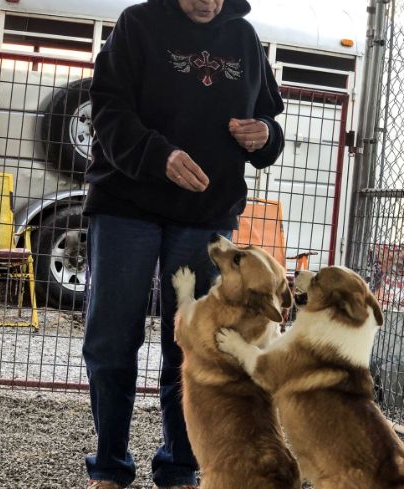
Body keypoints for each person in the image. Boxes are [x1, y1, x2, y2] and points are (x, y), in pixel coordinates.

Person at [82, 0, 284, 488]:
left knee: (195, 348)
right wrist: (159, 155)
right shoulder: (137, 24)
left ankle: (179, 465)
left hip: (205, 214)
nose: (206, 3)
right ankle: (109, 466)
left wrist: (266, 137)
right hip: (126, 203)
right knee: (111, 338)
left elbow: (269, 123)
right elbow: (107, 112)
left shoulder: (245, 39)